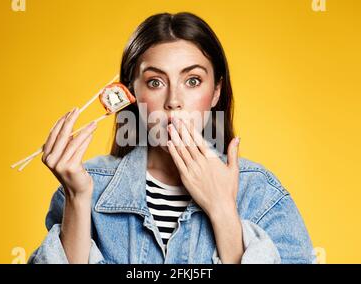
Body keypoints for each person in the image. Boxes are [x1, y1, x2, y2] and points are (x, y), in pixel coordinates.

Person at [28, 12, 314, 264]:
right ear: (132, 95)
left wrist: (223, 210)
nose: (173, 101)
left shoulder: (261, 195)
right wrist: (77, 198)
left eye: (192, 81)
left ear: (215, 92)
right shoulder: (88, 186)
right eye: (155, 82)